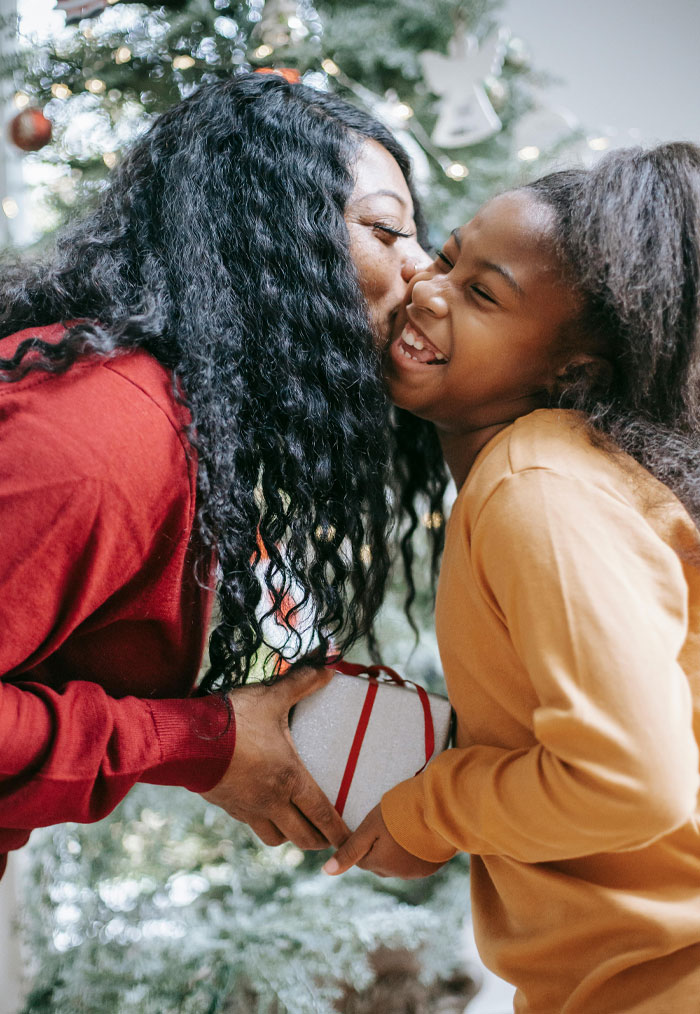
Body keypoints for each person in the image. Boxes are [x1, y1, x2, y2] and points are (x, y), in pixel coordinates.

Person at [0, 73, 446, 878]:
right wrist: (200, 742)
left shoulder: (207, 431)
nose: (425, 272)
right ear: (266, 235)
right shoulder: (105, 442)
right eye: (387, 230)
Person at [325, 143, 700, 1013]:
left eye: (481, 293)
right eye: (448, 258)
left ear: (570, 375)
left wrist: (427, 812)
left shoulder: (538, 483)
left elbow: (630, 781)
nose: (427, 289)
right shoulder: (571, 476)